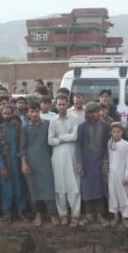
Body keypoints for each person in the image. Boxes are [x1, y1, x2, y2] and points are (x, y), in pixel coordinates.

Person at [48, 96, 81, 225]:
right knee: (59, 185)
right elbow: (50, 140)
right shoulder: (53, 121)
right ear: (56, 106)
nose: (61, 107)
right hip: (57, 157)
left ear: (68, 104)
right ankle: (63, 214)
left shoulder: (74, 118)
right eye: (59, 105)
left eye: (63, 104)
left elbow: (75, 136)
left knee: (74, 185)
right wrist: (61, 139)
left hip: (72, 155)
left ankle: (75, 215)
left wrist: (60, 138)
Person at [76, 102, 110, 226]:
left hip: (100, 161)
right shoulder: (82, 127)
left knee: (100, 189)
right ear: (88, 114)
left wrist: (106, 161)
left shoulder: (105, 126)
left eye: (98, 111)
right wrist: (79, 162)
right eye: (94, 112)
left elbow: (107, 145)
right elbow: (78, 145)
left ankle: (101, 215)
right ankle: (89, 215)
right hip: (86, 162)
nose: (98, 114)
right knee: (87, 189)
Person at [20, 105, 55, 227]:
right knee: (33, 189)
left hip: (46, 161)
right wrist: (24, 163)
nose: (34, 113)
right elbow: (22, 148)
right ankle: (38, 214)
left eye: (36, 110)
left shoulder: (48, 124)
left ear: (39, 111)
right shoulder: (25, 127)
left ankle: (52, 214)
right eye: (31, 111)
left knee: (48, 188)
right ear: (28, 113)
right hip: (31, 162)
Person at [0, 104, 25, 222]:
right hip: (6, 164)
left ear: (13, 114)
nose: (6, 115)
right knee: (6, 188)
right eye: (4, 114)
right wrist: (2, 167)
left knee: (19, 187)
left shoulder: (19, 127)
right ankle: (6, 212)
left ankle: (21, 211)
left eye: (8, 113)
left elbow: (23, 145)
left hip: (18, 163)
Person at [106, 121, 128, 227]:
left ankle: (125, 217)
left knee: (124, 196)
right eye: (114, 132)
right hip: (112, 175)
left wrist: (127, 176)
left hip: (122, 175)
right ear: (111, 133)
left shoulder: (126, 144)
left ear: (122, 132)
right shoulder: (109, 144)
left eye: (118, 131)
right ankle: (115, 217)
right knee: (113, 195)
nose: (116, 133)